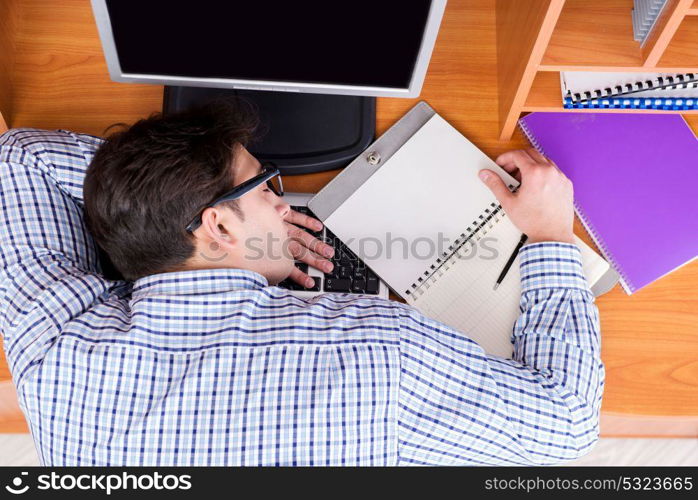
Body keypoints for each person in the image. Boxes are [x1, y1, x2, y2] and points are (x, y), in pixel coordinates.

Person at [0, 101, 603, 466]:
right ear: (214, 226)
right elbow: (569, 424)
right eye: (266, 188)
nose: (284, 207)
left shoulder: (54, 354)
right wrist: (550, 234)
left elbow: (19, 157)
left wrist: (205, 222)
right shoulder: (376, 353)